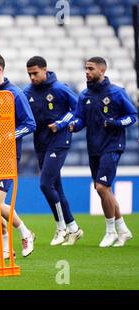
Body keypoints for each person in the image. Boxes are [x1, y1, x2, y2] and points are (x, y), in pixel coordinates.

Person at [69, 56, 136, 248]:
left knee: (101, 188)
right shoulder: (84, 95)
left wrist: (115, 123)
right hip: (94, 147)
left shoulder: (117, 92)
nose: (87, 72)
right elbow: (81, 119)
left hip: (113, 145)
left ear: (102, 71)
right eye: (86, 69)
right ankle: (123, 229)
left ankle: (110, 232)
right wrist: (75, 126)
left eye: (90, 69)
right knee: (104, 191)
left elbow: (132, 116)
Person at [0, 54, 36, 260]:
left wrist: (7, 135)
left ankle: (26, 233)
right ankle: (5, 248)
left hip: (7, 154)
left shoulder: (15, 94)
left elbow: (30, 124)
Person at [24, 56, 83, 246]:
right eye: (29, 74)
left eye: (35, 73)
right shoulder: (27, 92)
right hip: (41, 142)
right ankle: (74, 228)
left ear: (45, 70)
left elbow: (78, 108)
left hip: (59, 139)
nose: (32, 77)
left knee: (45, 184)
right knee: (56, 187)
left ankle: (61, 228)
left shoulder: (59, 88)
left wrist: (61, 123)